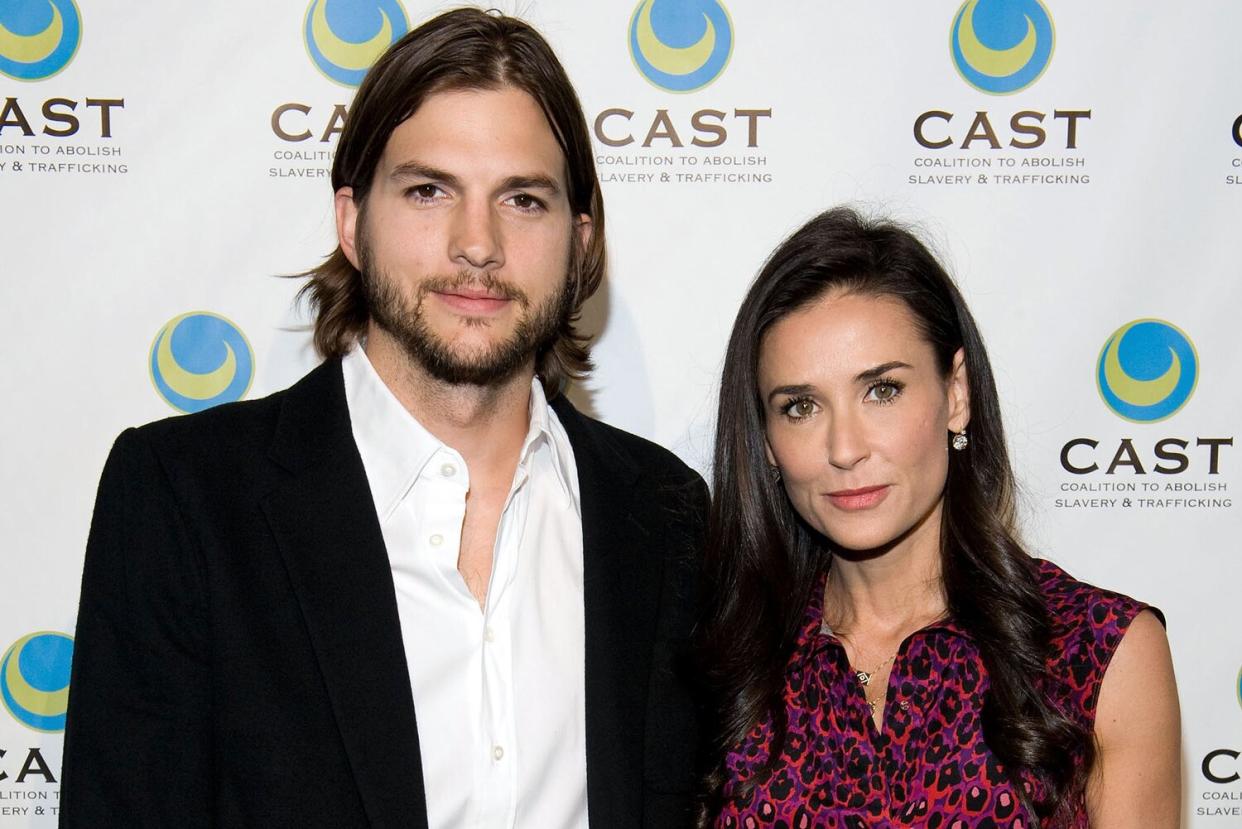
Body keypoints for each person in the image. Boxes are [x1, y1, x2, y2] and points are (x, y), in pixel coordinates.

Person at [60, 9, 707, 828]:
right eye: (429, 190)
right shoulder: (187, 499)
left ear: (580, 243)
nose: (478, 244)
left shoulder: (664, 513)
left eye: (524, 199)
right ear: (351, 223)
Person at [698, 208, 1180, 827]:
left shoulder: (1098, 650)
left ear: (956, 393)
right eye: (800, 407)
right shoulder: (731, 665)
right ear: (765, 438)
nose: (844, 449)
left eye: (882, 390)